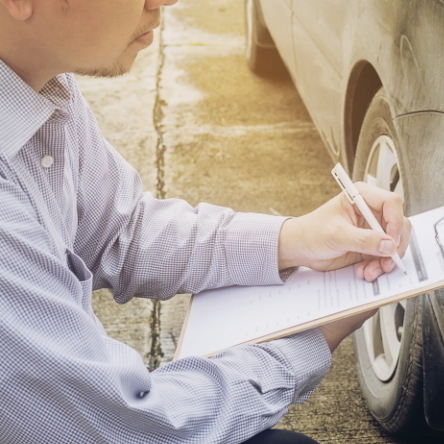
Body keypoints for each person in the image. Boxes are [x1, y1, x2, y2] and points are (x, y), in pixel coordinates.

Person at [0, 0, 411, 443]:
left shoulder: (41, 86)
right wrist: (309, 340)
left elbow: (120, 231)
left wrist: (294, 238)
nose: (166, 1)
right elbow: (129, 427)